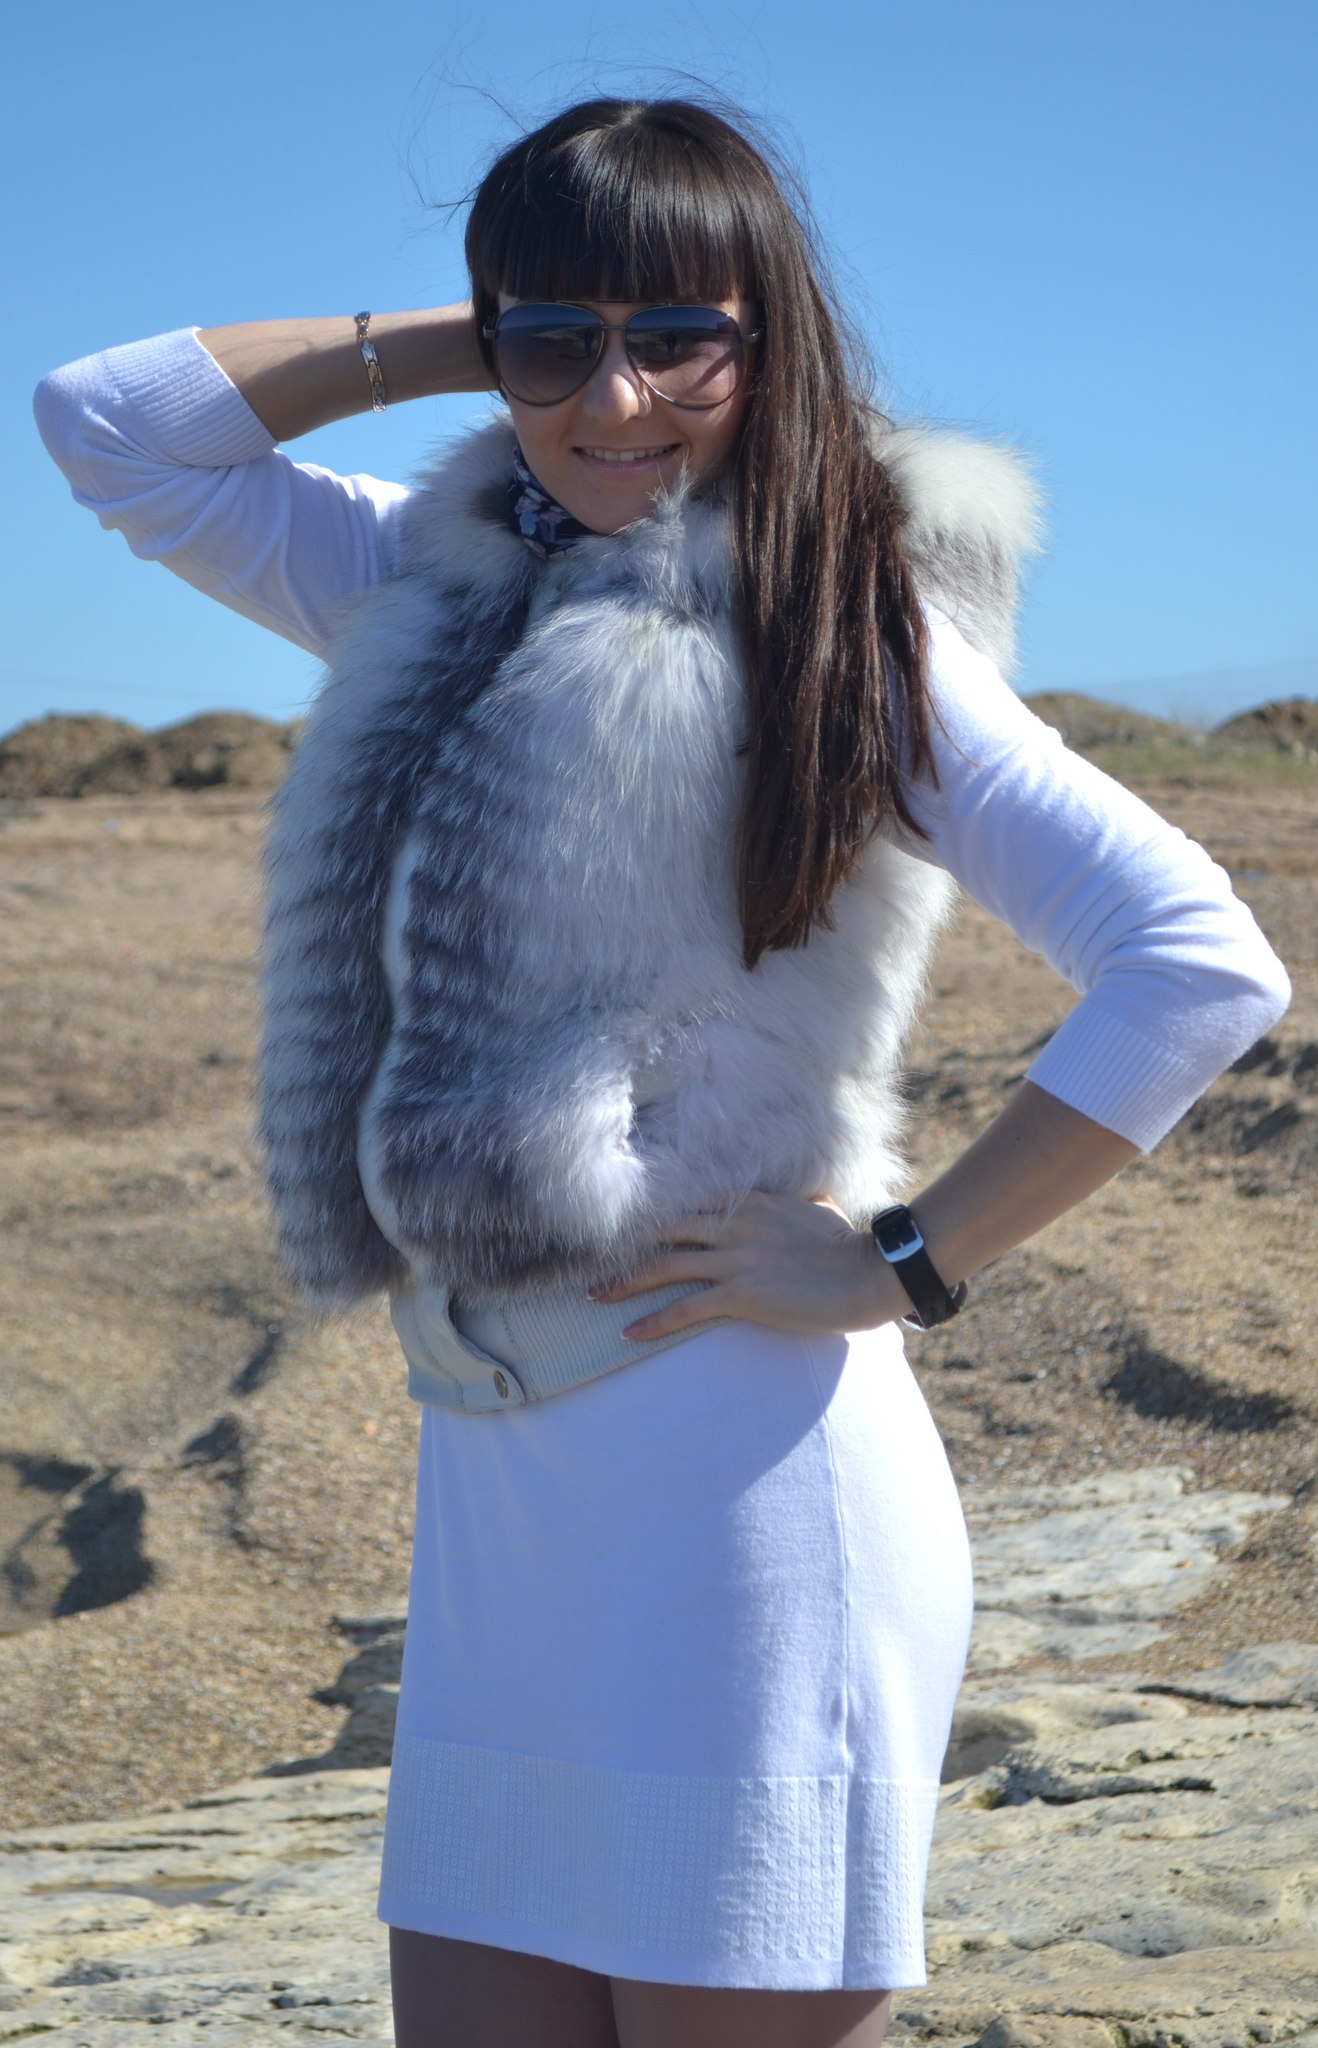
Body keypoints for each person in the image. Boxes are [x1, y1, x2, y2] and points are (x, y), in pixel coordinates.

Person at [35, 93, 1289, 2048]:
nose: (612, 400)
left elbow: (1195, 958)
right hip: (497, 1515)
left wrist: (905, 1259)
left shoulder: (841, 624)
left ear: (767, 338)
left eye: (678, 338)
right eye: (555, 344)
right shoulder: (422, 578)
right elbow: (108, 421)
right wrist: (494, 337)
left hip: (745, 1509)